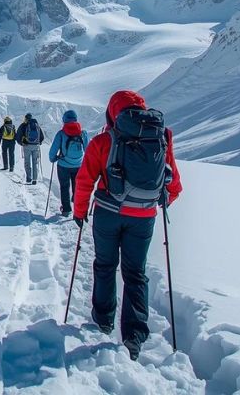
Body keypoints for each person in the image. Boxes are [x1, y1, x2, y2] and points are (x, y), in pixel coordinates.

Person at [73, 90, 182, 361]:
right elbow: (174, 185)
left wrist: (79, 211)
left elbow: (85, 179)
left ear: (113, 112)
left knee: (105, 265)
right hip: (143, 219)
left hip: (108, 215)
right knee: (136, 274)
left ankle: (103, 321)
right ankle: (134, 337)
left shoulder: (103, 141)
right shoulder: (161, 137)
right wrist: (149, 204)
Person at [48, 110, 89, 217]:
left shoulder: (61, 133)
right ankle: (77, 209)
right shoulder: (83, 133)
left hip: (63, 165)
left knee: (64, 187)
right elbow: (87, 150)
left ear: (64, 120)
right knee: (77, 186)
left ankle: (66, 210)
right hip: (78, 165)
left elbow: (53, 151)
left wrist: (53, 159)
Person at [15, 113, 45, 185]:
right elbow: (42, 136)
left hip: (27, 146)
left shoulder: (23, 125)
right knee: (35, 162)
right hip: (36, 146)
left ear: (25, 118)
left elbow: (18, 135)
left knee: (27, 162)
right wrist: (39, 142)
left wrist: (21, 143)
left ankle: (29, 178)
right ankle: (35, 179)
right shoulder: (36, 125)